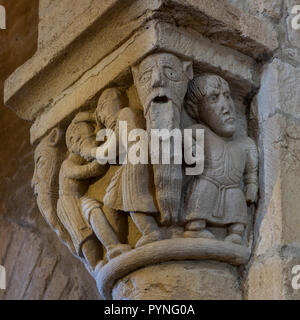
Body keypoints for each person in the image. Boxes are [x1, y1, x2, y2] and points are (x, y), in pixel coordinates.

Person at [182, 74, 258, 244]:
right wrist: (191, 150)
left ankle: (236, 233)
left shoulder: (244, 143)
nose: (226, 107)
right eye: (214, 98)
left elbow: (251, 168)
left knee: (236, 207)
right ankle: (195, 228)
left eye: (228, 96)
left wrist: (252, 184)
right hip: (208, 182)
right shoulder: (199, 131)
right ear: (196, 110)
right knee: (201, 199)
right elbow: (181, 137)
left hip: (233, 187)